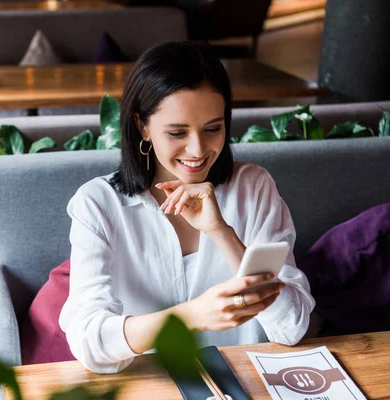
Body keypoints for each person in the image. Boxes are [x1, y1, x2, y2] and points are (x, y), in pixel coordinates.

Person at [59, 41, 315, 374]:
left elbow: (292, 327)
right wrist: (193, 315)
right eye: (177, 132)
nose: (198, 150)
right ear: (142, 126)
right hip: (151, 386)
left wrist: (221, 232)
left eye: (213, 129)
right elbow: (89, 340)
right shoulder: (98, 204)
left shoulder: (253, 188)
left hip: (248, 383)